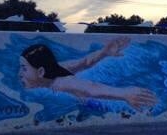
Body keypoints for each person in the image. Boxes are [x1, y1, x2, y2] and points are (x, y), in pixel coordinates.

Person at [18, 40, 157, 111]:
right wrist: (104, 52)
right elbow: (84, 62)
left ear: (41, 72)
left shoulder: (60, 83)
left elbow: (91, 88)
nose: (19, 74)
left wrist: (124, 93)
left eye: (23, 69)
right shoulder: (57, 69)